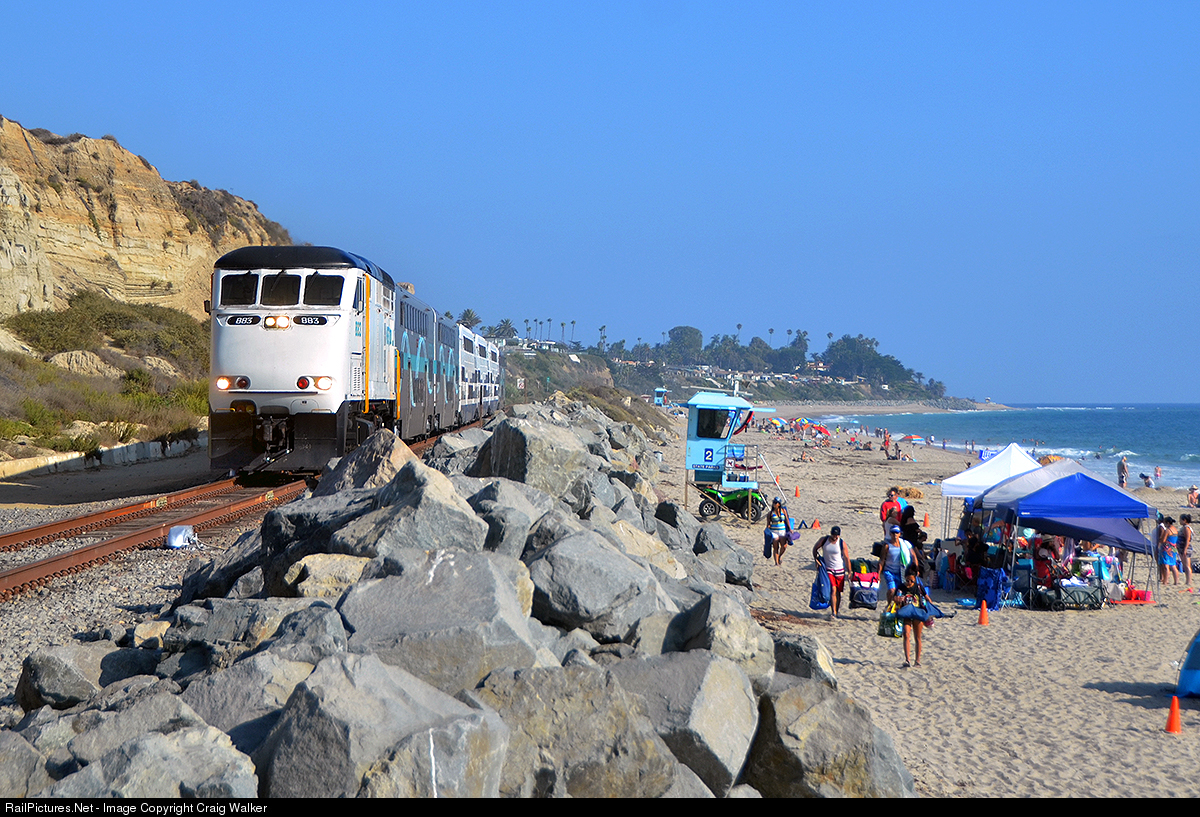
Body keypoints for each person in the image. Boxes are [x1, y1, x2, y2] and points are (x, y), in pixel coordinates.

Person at [895, 564, 934, 668]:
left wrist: (931, 609)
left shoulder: (919, 587)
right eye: (907, 580)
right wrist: (898, 599)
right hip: (906, 613)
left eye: (912, 581)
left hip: (918, 613)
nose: (909, 583)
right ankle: (907, 660)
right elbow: (895, 598)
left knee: (917, 637)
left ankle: (917, 661)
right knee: (906, 634)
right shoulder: (901, 587)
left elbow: (927, 597)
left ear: (915, 579)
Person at [813, 526, 851, 619]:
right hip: (829, 569)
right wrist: (816, 560)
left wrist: (850, 571)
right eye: (834, 535)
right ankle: (833, 612)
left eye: (837, 535)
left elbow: (846, 558)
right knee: (833, 589)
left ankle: (836, 611)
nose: (835, 537)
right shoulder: (824, 540)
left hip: (840, 570)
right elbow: (815, 549)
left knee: (838, 592)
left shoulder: (841, 543)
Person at [766, 497, 793, 566]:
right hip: (774, 532)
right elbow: (768, 524)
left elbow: (787, 520)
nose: (774, 504)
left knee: (784, 546)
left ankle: (779, 556)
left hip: (782, 531)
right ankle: (776, 562)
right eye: (773, 503)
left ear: (779, 504)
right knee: (775, 547)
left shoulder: (783, 511)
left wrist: (790, 529)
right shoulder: (770, 513)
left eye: (776, 503)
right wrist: (767, 530)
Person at [1160, 517, 1181, 586]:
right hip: (1174, 548)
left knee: (1166, 565)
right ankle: (1176, 581)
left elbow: (1163, 540)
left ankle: (1165, 581)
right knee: (1173, 565)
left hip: (1167, 548)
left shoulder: (1168, 530)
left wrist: (1160, 539)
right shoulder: (1175, 529)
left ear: (1168, 523)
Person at [1179, 514, 1193, 587]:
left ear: (1184, 520)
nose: (1179, 521)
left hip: (1186, 548)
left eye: (1180, 519)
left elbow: (1187, 539)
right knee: (1184, 565)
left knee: (1187, 565)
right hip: (1182, 548)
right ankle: (1187, 580)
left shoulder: (1186, 528)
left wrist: (1185, 549)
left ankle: (1189, 581)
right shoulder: (1184, 527)